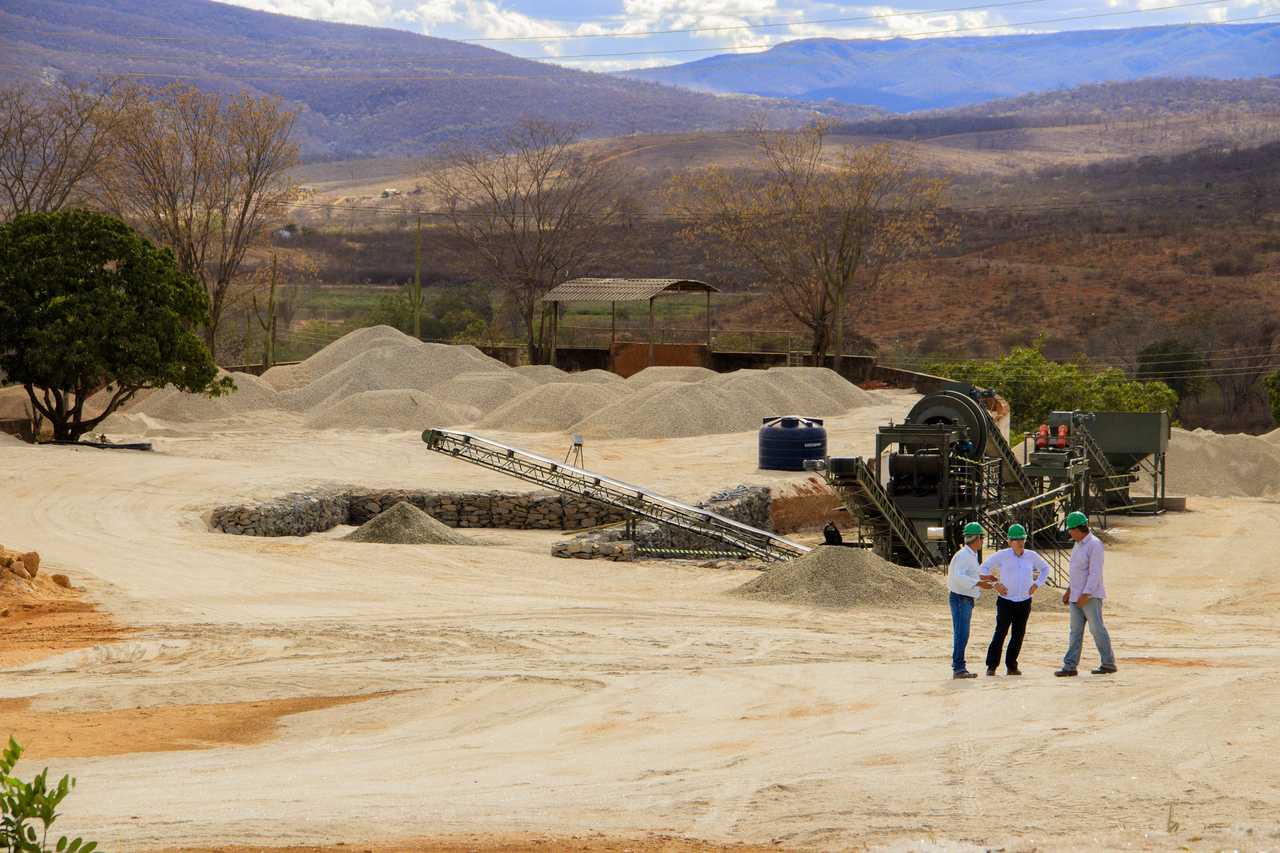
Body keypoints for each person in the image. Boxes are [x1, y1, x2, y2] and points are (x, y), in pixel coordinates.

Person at [979, 523, 1050, 676]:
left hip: (1024, 601)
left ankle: (1012, 666)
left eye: (1022, 539)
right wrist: (995, 584)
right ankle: (991, 666)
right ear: (1009, 541)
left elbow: (1045, 569)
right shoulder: (1002, 555)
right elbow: (983, 568)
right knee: (1001, 633)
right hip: (1006, 601)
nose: (1020, 542)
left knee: (1018, 634)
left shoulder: (1031, 555)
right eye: (1016, 540)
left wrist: (1037, 584)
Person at [1055, 511, 1117, 677]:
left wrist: (1086, 594)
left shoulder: (1094, 545)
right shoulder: (1078, 544)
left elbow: (1095, 573)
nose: (1069, 532)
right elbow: (1077, 571)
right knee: (1075, 631)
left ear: (1079, 528)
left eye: (1071, 529)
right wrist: (1070, 590)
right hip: (1076, 595)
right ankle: (1070, 666)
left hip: (1090, 596)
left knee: (1097, 629)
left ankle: (1108, 663)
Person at [947, 522, 995, 679]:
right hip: (961, 598)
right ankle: (959, 668)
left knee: (962, 633)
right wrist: (980, 583)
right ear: (977, 538)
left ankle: (959, 667)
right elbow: (959, 576)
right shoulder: (964, 556)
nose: (982, 541)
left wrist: (984, 577)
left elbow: (969, 574)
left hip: (964, 598)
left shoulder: (970, 554)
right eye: (982, 538)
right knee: (962, 633)